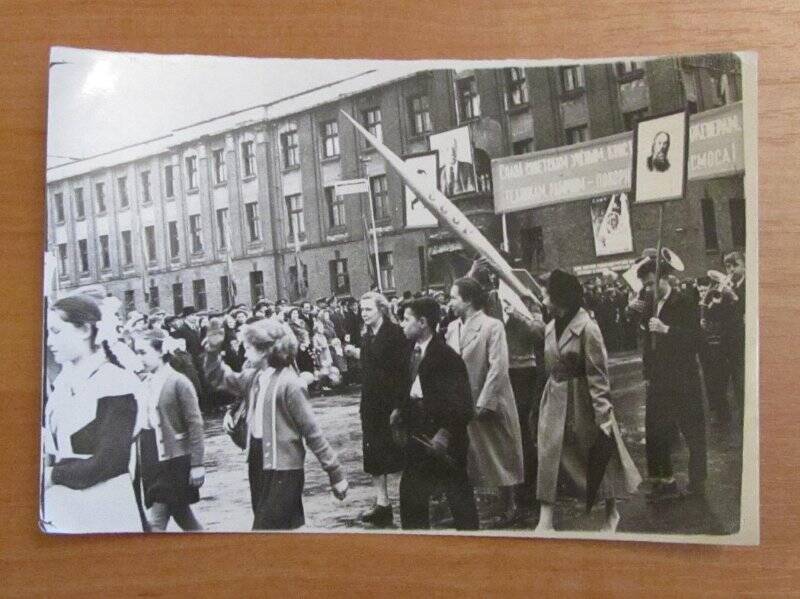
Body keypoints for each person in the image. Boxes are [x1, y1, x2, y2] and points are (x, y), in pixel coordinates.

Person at [204, 318, 348, 530]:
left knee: (265, 531)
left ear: (265, 350)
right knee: (285, 531)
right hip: (257, 462)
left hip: (284, 468)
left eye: (248, 348)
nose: (244, 353)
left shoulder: (290, 383)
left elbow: (312, 432)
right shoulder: (253, 377)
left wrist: (335, 473)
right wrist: (212, 352)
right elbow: (220, 379)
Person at [534, 270, 641, 532]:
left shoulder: (588, 328)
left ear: (560, 297)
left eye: (547, 293)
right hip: (554, 397)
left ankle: (612, 513)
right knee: (548, 456)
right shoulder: (550, 326)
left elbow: (598, 374)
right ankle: (545, 520)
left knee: (597, 456)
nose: (543, 297)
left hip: (582, 399)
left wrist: (604, 416)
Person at [42, 294, 145, 533]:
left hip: (105, 508)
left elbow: (110, 461)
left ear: (85, 330)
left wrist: (52, 476)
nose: (49, 341)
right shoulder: (62, 385)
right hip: (64, 509)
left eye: (56, 332)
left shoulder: (116, 382)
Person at [394, 297, 479, 530]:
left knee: (458, 495)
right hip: (417, 434)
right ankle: (417, 553)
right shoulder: (410, 353)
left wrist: (445, 433)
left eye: (406, 319)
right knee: (411, 497)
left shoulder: (446, 357)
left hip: (444, 439)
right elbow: (408, 389)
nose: (402, 324)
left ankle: (473, 548)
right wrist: (399, 413)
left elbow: (462, 404)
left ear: (422, 323)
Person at [445, 277, 524, 527]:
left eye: (453, 297)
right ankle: (487, 503)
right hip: (464, 401)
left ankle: (511, 504)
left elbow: (498, 367)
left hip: (491, 400)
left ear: (467, 300)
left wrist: (484, 401)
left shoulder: (492, 326)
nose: (450, 302)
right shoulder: (451, 329)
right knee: (476, 455)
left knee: (502, 452)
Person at [631, 256, 707, 500]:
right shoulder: (650, 304)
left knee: (692, 430)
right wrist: (647, 373)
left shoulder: (684, 301)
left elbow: (697, 339)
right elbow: (647, 345)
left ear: (665, 278)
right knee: (656, 430)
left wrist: (667, 330)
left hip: (683, 377)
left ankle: (698, 479)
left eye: (652, 284)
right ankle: (664, 479)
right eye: (645, 285)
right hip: (659, 379)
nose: (648, 289)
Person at [131, 329, 205, 532]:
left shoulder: (178, 381)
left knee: (156, 521)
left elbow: (195, 424)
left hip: (174, 460)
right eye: (136, 352)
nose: (139, 358)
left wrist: (197, 463)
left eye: (143, 352)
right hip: (151, 458)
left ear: (161, 351)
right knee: (183, 516)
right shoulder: (145, 383)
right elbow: (141, 422)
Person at [346, 291, 409, 527]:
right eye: (362, 310)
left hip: (390, 403)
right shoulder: (366, 335)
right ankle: (382, 504)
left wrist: (399, 406)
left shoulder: (394, 334)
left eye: (368, 309)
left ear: (382, 309)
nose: (364, 314)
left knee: (400, 452)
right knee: (374, 455)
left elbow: (402, 373)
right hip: (371, 404)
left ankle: (411, 500)